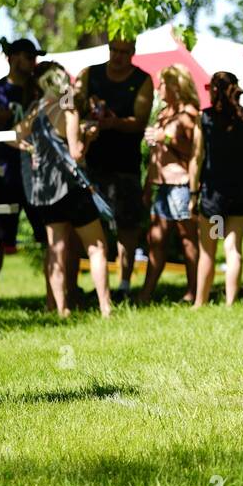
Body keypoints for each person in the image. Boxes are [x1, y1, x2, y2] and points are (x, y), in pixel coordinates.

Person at [15, 61, 115, 318]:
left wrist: (32, 149)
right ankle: (105, 307)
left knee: (56, 248)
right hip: (71, 187)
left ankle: (60, 309)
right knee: (96, 246)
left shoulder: (35, 110)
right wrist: (88, 138)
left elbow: (15, 136)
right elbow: (76, 153)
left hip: (45, 189)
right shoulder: (68, 111)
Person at [77, 37, 157, 299]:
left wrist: (114, 123)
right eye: (114, 50)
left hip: (125, 165)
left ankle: (123, 286)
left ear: (133, 52)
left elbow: (140, 121)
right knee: (86, 226)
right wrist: (85, 116)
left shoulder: (142, 79)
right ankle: (79, 286)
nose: (118, 56)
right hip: (91, 165)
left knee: (128, 228)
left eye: (124, 52)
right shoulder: (90, 74)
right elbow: (72, 107)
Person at [190, 71, 243, 308]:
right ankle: (231, 302)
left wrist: (193, 193)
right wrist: (241, 159)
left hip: (214, 197)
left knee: (209, 251)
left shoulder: (205, 119)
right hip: (239, 192)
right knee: (233, 249)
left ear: (213, 90)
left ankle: (200, 303)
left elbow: (197, 157)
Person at [139, 65, 201, 303]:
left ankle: (193, 292)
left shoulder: (189, 113)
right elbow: (156, 158)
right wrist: (147, 186)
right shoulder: (164, 112)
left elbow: (193, 152)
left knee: (187, 240)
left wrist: (165, 137)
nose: (159, 88)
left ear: (176, 85)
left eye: (163, 83)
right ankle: (146, 294)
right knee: (155, 239)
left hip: (181, 185)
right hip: (161, 185)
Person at [0, 38, 44, 257]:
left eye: (35, 57)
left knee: (50, 235)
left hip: (38, 174)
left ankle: (60, 291)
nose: (34, 62)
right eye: (29, 57)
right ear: (13, 59)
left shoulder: (41, 91)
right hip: (5, 174)